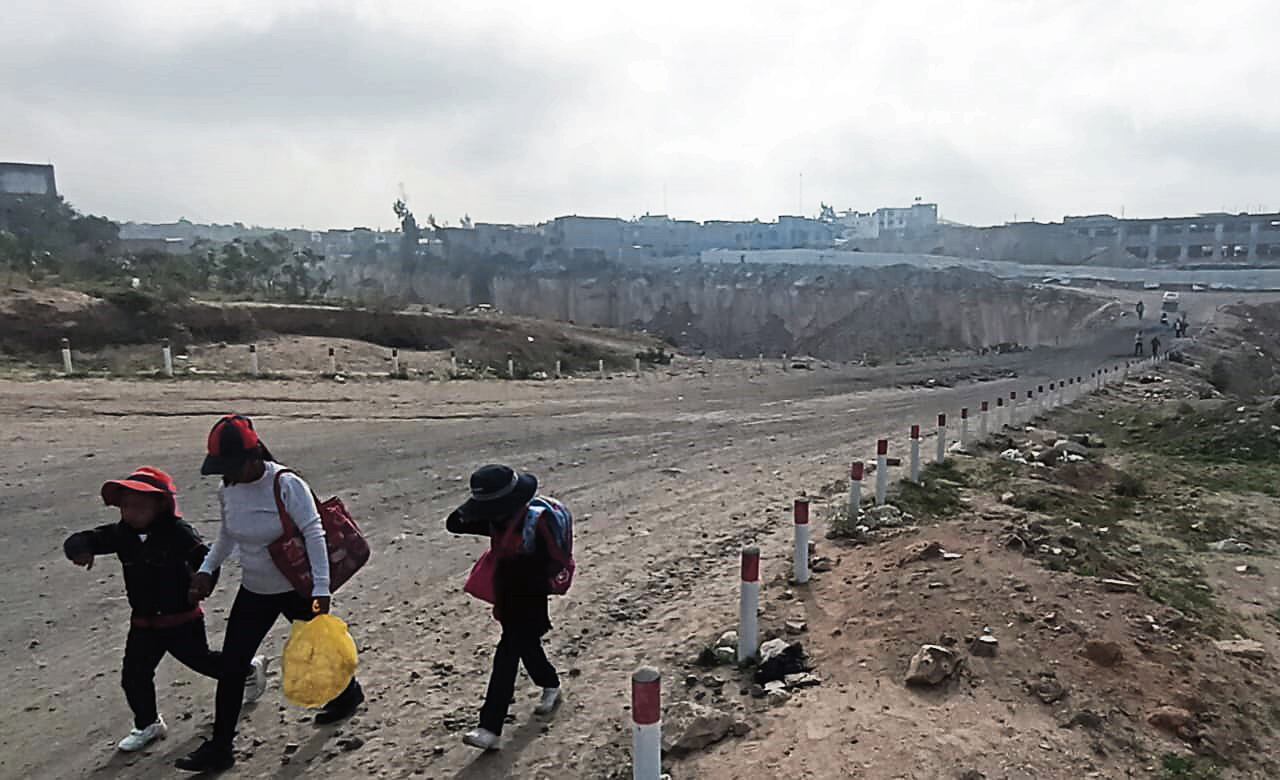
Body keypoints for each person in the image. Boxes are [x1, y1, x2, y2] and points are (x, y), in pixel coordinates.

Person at [176, 415, 363, 773]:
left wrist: (320, 590)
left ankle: (348, 692)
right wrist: (205, 570)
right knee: (232, 668)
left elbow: (314, 533)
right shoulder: (227, 489)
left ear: (253, 456)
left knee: (319, 649)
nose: (226, 474)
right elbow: (227, 535)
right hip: (255, 592)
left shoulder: (286, 484)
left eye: (231, 465)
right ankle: (221, 747)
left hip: (296, 589)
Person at [63, 467, 266, 754]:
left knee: (202, 661)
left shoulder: (178, 533)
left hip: (181, 619)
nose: (132, 513)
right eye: (126, 506)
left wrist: (202, 585)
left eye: (140, 506)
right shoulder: (122, 534)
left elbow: (208, 560)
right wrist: (78, 550)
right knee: (134, 675)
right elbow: (87, 538)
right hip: (144, 624)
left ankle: (247, 669)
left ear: (160, 505)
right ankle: (148, 723)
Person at [447, 465, 564, 751]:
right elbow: (454, 523)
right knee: (527, 648)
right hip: (509, 598)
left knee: (507, 656)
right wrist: (476, 508)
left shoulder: (536, 524)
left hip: (529, 599)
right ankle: (551, 684)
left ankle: (490, 728)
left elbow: (548, 566)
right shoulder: (497, 518)